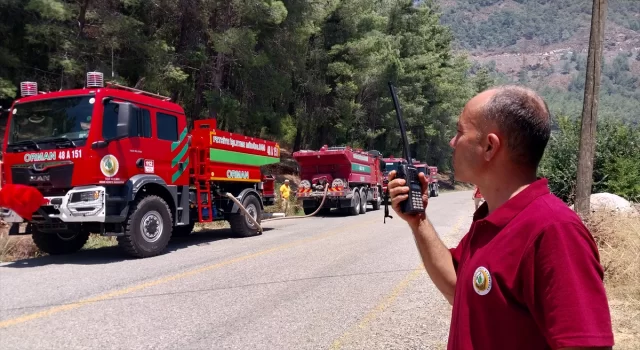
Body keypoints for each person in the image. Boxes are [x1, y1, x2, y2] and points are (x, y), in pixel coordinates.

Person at [387, 85, 613, 349]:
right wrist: (419, 221)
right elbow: (457, 286)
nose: (452, 141)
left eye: (460, 131)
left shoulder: (554, 231)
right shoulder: (492, 219)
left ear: (490, 147)